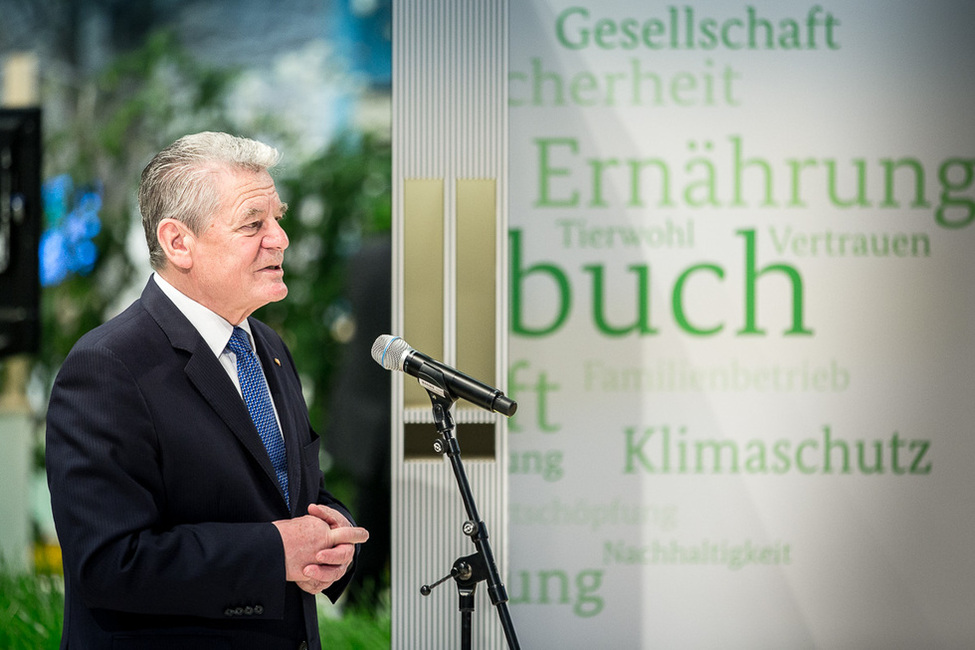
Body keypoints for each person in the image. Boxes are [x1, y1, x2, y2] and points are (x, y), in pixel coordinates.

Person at [45, 131, 369, 650]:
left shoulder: (267, 346)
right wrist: (275, 551)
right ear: (178, 243)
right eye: (253, 224)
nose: (280, 238)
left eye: (278, 217)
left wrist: (333, 537)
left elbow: (289, 491)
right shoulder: (106, 368)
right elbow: (108, 562)